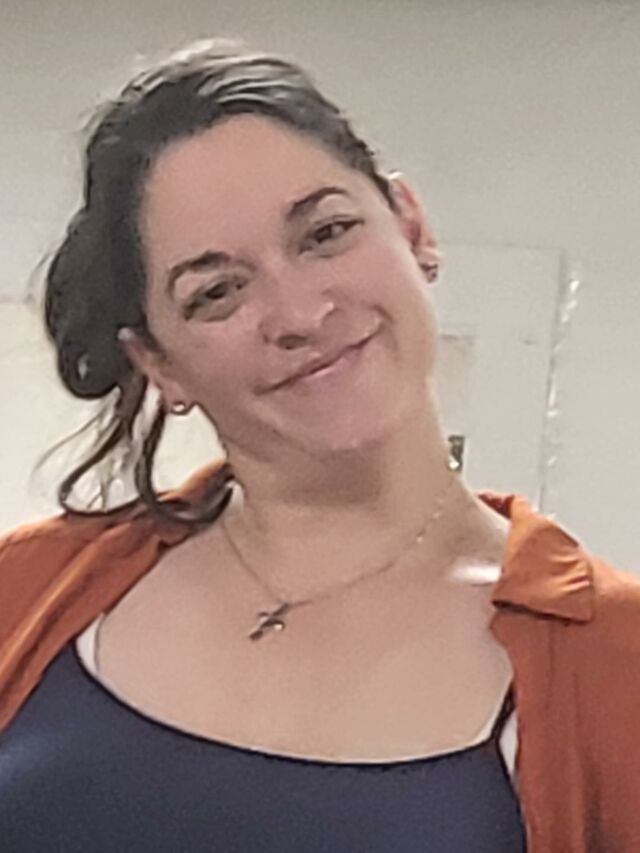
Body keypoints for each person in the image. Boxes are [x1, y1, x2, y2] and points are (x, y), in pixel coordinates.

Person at [0, 38, 639, 853]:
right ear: (158, 362)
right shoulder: (29, 587)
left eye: (326, 233)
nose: (300, 313)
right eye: (218, 291)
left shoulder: (613, 663)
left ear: (412, 227)